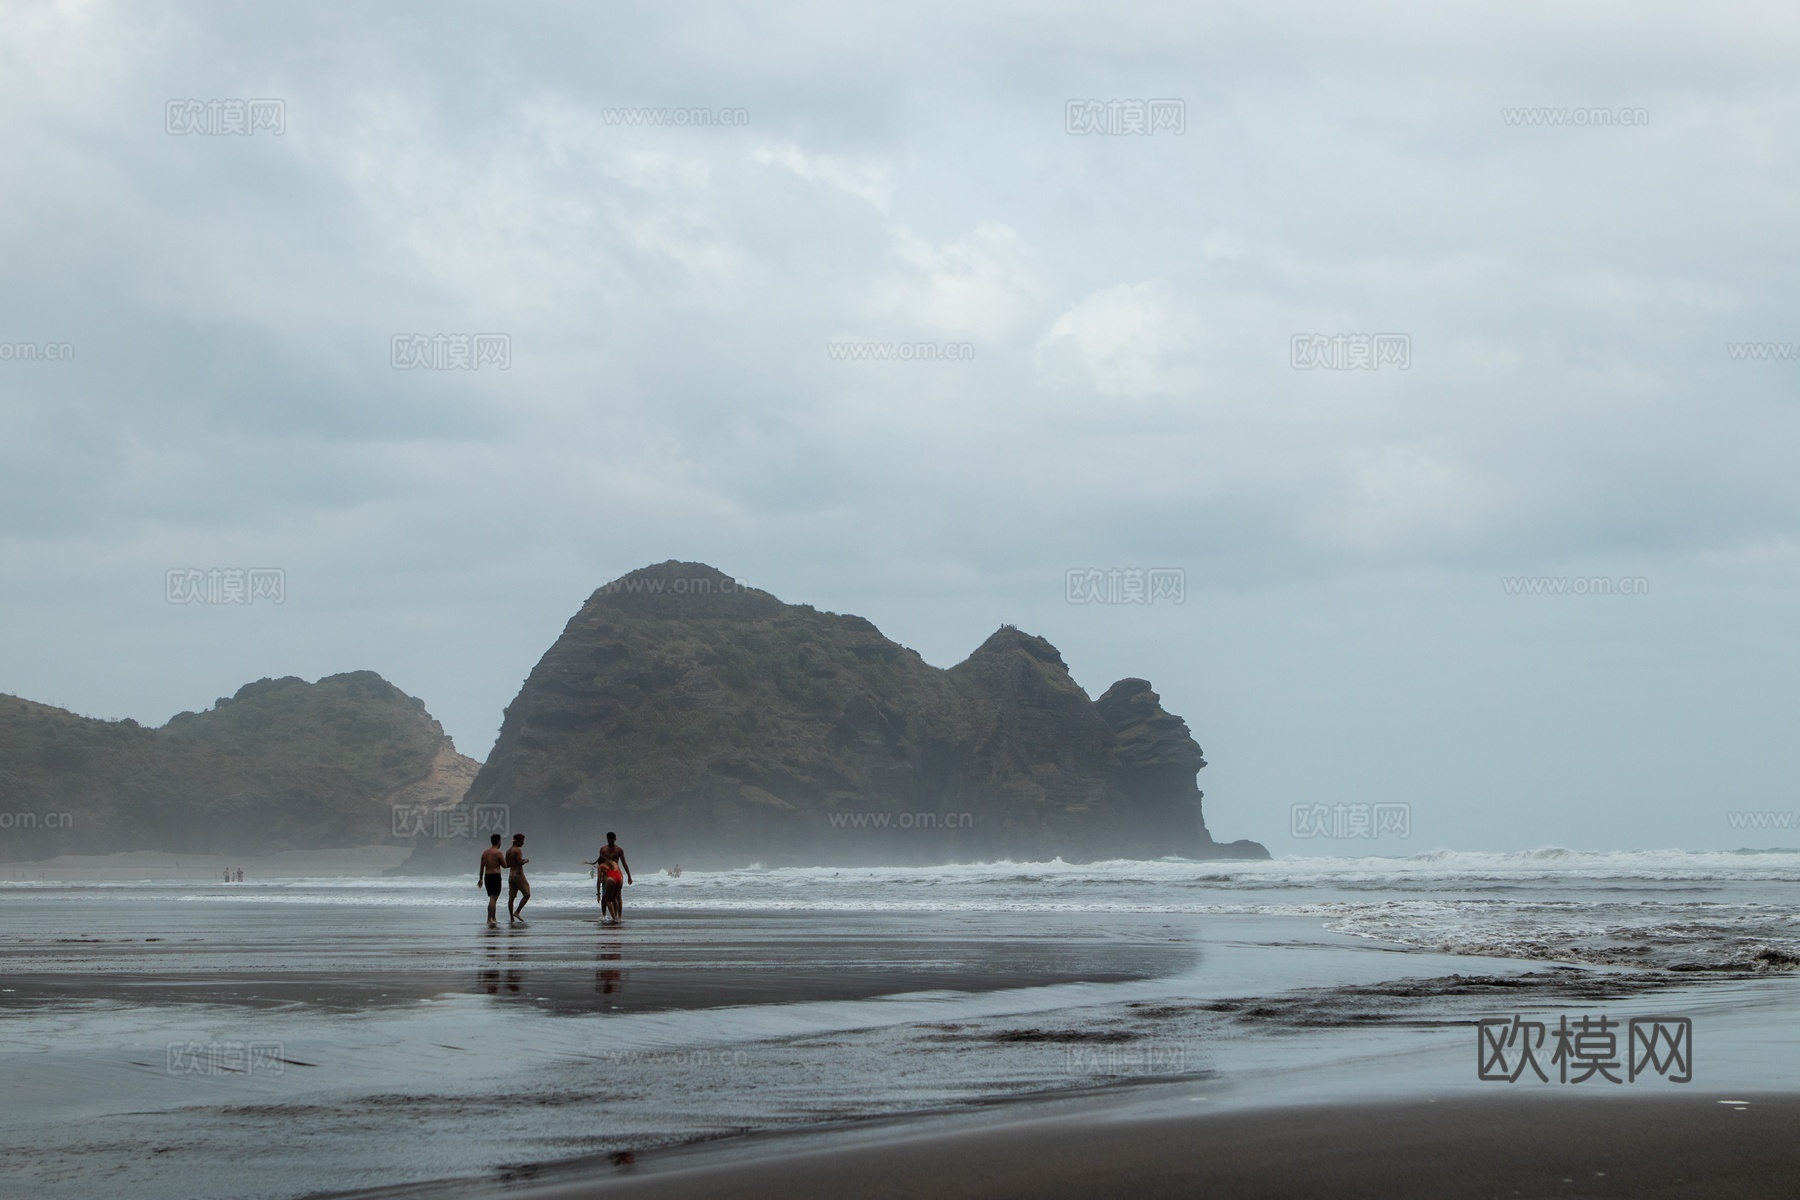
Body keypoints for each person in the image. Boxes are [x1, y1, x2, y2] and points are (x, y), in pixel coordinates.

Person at [478, 834, 506, 928]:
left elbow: (482, 867)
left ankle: (493, 918)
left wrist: (480, 879)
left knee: (492, 898)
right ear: (499, 841)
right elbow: (505, 865)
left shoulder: (485, 853)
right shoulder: (498, 853)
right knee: (493, 899)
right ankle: (490, 918)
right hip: (495, 876)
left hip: (487, 877)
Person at [505, 834, 531, 923]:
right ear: (518, 841)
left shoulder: (508, 851)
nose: (523, 843)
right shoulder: (517, 850)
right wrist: (525, 861)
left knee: (511, 897)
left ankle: (511, 918)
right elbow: (520, 862)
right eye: (522, 841)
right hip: (518, 874)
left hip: (511, 874)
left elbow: (506, 865)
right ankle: (517, 912)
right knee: (527, 894)